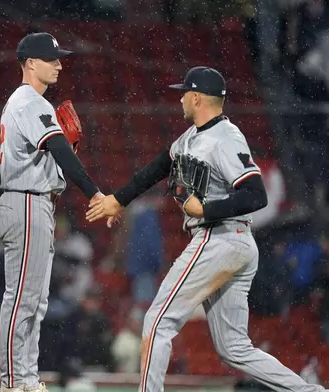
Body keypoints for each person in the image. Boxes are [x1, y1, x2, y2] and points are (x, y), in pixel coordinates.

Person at [86, 66, 326, 392]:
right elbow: (157, 167)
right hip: (229, 243)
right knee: (234, 349)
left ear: (197, 97)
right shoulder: (189, 138)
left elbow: (256, 194)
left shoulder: (227, 138)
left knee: (157, 321)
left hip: (220, 236)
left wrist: (207, 209)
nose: (181, 98)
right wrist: (118, 199)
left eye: (185, 92)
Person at [0, 32, 104, 392]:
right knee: (22, 299)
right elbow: (58, 149)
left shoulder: (33, 102)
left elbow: (55, 151)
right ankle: (13, 381)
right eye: (51, 58)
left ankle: (26, 378)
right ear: (30, 63)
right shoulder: (30, 102)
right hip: (25, 200)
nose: (59, 64)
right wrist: (94, 192)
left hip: (34, 201)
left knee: (35, 301)